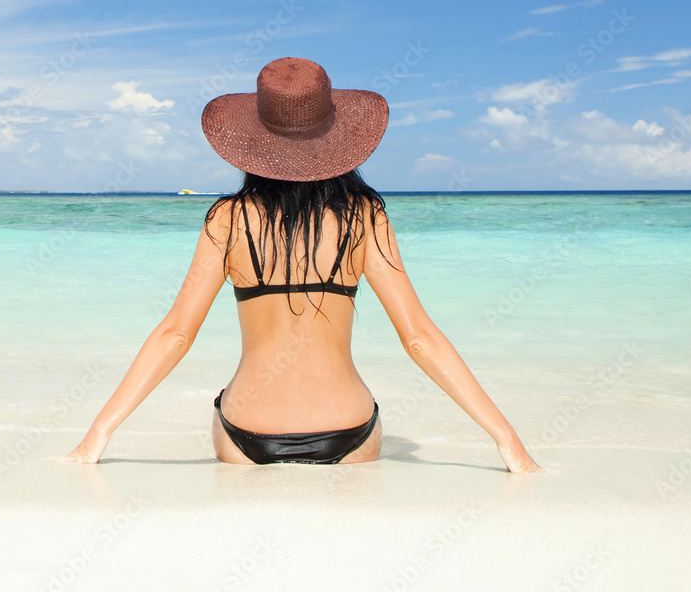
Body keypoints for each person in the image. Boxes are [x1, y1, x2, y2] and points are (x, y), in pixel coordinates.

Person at [57, 57, 541, 471]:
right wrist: (506, 438)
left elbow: (176, 334)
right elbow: (418, 337)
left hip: (247, 433)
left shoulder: (228, 220)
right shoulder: (364, 218)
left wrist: (98, 434)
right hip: (347, 431)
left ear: (252, 143)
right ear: (339, 139)